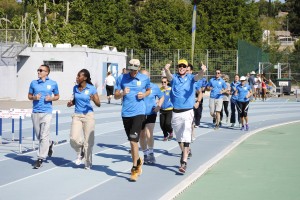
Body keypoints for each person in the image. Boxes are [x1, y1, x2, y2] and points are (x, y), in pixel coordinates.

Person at [164, 59, 206, 173]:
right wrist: (166, 69)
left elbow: (198, 76)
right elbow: (168, 76)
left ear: (187, 68)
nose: (181, 68)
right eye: (180, 66)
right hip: (176, 112)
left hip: (187, 111)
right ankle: (185, 151)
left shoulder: (191, 78)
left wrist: (202, 71)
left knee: (186, 135)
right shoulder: (174, 78)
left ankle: (184, 162)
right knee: (179, 137)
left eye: (184, 66)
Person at [114, 59, 151, 181]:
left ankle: (134, 168)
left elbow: (148, 90)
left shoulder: (144, 78)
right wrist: (122, 93)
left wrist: (144, 95)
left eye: (135, 70)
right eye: (131, 69)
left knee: (133, 141)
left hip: (139, 112)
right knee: (131, 141)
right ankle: (138, 160)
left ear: (139, 69)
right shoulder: (121, 78)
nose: (133, 72)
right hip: (126, 113)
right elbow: (115, 96)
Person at [67, 69, 100, 170]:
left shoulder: (92, 88)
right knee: (73, 138)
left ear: (85, 78)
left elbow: (98, 104)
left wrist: (93, 99)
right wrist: (70, 103)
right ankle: (80, 151)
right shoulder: (75, 88)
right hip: (77, 115)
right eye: (77, 76)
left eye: (79, 76)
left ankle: (88, 162)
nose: (77, 78)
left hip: (88, 116)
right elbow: (75, 100)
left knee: (88, 141)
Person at [28, 64, 60, 169]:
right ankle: (50, 143)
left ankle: (40, 158)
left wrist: (50, 99)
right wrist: (34, 97)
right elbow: (29, 96)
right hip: (35, 112)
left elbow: (57, 96)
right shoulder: (33, 83)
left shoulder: (53, 83)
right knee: (39, 136)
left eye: (41, 70)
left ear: (47, 72)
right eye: (38, 70)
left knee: (44, 136)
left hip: (47, 112)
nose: (38, 72)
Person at [139, 70, 164, 165]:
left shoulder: (154, 87)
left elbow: (161, 97)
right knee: (142, 135)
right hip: (140, 113)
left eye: (146, 76)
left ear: (149, 77)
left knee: (149, 133)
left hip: (151, 113)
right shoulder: (138, 86)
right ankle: (145, 154)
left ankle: (151, 153)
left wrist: (159, 106)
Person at [159, 77, 173, 141]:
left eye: (164, 82)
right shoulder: (160, 89)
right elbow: (158, 98)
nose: (163, 83)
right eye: (162, 82)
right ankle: (165, 135)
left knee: (167, 123)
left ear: (167, 82)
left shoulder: (170, 89)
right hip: (162, 109)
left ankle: (170, 131)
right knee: (162, 124)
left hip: (169, 109)